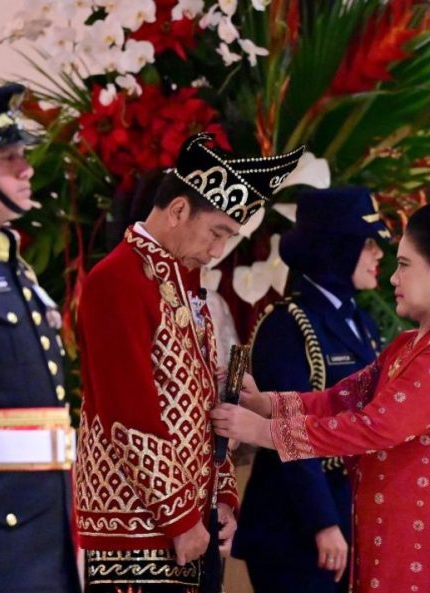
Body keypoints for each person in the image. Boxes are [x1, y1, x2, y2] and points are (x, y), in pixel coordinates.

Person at [213, 201, 430, 593]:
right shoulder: (412, 343)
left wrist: (265, 432)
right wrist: (266, 403)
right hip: (401, 536)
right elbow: (344, 398)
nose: (393, 277)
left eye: (404, 265)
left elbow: (375, 426)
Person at [74, 132, 303, 592]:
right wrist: (180, 517)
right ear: (178, 210)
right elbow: (128, 414)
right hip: (136, 526)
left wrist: (222, 500)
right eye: (217, 232)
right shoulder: (116, 280)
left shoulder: (183, 281)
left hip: (187, 523)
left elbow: (205, 407)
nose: (219, 250)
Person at [0, 84, 80, 593]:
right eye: (7, 158)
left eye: (22, 155)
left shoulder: (12, 270)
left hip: (43, 539)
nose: (27, 169)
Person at [232, 186, 389, 592]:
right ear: (338, 246)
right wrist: (323, 523)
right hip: (295, 526)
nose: (378, 256)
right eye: (368, 244)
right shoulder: (287, 324)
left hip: (348, 513)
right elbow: (290, 431)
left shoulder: (364, 325)